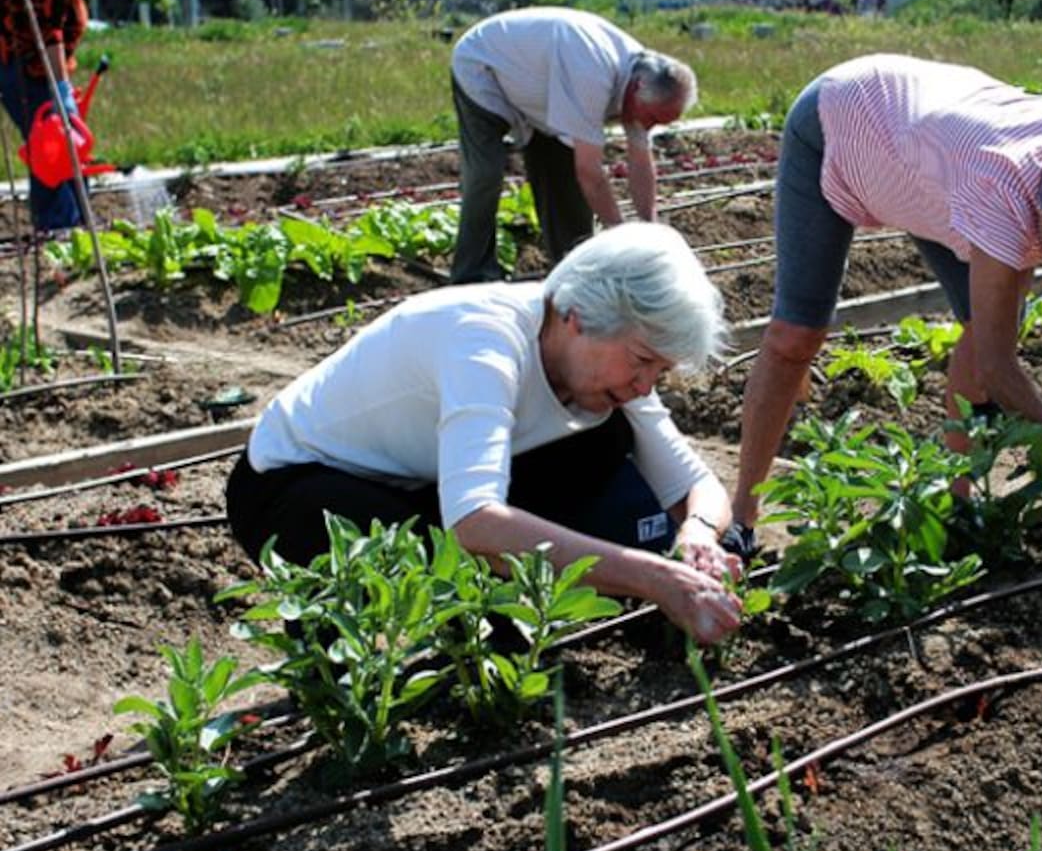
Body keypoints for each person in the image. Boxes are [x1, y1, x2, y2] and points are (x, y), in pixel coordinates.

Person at [724, 53, 1042, 559]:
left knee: (994, 321)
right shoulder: (1004, 189)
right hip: (845, 117)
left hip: (928, 153)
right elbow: (996, 367)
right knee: (799, 334)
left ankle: (956, 506)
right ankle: (741, 520)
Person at [227, 222, 743, 645]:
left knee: (604, 439)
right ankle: (323, 644)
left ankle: (491, 597)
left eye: (661, 372)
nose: (645, 385)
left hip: (417, 486)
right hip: (294, 488)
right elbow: (474, 521)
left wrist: (697, 533)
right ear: (577, 317)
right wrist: (653, 577)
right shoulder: (484, 342)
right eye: (642, 362)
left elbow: (698, 484)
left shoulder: (608, 369)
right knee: (479, 637)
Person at [449, 7, 697, 284]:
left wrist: (649, 229)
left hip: (545, 90)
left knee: (564, 182)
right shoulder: (592, 74)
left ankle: (574, 273)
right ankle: (471, 274)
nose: (649, 127)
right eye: (651, 118)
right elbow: (590, 173)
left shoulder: (647, 79)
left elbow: (640, 160)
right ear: (637, 87)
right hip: (485, 66)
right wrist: (624, 241)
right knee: (485, 174)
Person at [0, 0, 86, 231]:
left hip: (27, 67)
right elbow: (49, 33)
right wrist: (60, 87)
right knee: (54, 147)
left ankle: (72, 223)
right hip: (30, 71)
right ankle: (60, 226)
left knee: (56, 147)